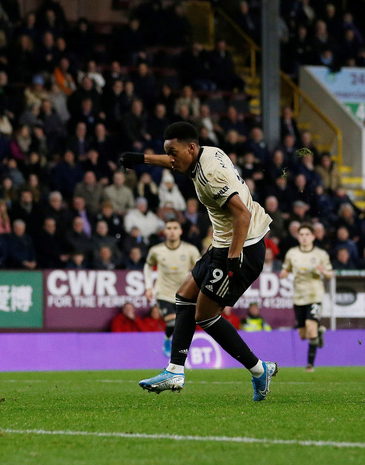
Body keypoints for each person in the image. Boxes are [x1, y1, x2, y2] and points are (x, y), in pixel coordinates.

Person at [121, 122, 277, 401]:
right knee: (183, 296)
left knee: (205, 315)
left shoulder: (209, 175)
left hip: (242, 248)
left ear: (190, 148)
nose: (171, 158)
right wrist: (143, 159)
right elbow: (174, 160)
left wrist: (232, 259)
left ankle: (258, 369)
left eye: (174, 152)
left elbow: (242, 215)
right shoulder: (206, 152)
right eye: (167, 152)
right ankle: (174, 370)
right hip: (223, 243)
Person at [280, 223, 333, 372]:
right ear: (298, 237)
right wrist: (284, 273)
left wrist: (324, 272)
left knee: (311, 328)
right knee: (303, 335)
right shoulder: (292, 253)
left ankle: (310, 365)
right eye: (301, 234)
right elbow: (286, 268)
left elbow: (330, 274)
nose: (304, 237)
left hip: (314, 294)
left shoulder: (320, 254)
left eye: (307, 235)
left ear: (313, 237)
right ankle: (320, 331)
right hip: (298, 296)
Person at [144, 219, 200, 358]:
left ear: (180, 231)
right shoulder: (156, 250)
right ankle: (168, 340)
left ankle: (176, 349)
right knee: (172, 321)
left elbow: (200, 268)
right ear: (165, 232)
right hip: (164, 293)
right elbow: (148, 266)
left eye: (175, 228)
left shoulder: (190, 250)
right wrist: (148, 287)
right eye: (169, 228)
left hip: (184, 293)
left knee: (183, 326)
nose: (172, 231)